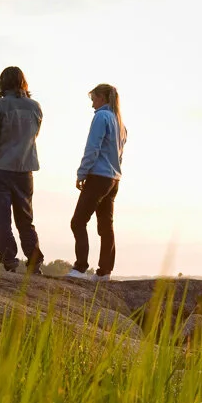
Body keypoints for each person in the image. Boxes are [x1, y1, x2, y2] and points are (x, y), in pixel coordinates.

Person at [0, 66, 44, 273]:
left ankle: (10, 262)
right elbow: (34, 136)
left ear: (2, 83)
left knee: (2, 218)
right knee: (26, 219)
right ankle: (34, 261)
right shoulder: (35, 107)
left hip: (0, 169)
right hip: (25, 171)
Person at [67, 83, 126, 280]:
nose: (92, 104)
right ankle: (104, 272)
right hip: (113, 179)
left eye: (93, 99)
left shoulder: (102, 117)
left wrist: (82, 173)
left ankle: (80, 268)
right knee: (105, 226)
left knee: (78, 222)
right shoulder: (120, 122)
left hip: (99, 176)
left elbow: (93, 148)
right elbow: (120, 155)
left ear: (101, 97)